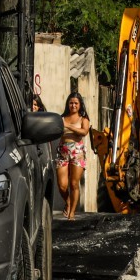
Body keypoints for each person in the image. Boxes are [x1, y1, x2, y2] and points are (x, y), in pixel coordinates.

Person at [55, 92, 90, 220]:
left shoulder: (83, 119)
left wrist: (68, 126)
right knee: (62, 185)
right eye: (71, 103)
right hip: (62, 151)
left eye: (76, 103)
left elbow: (84, 132)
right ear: (67, 104)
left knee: (74, 184)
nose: (73, 105)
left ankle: (72, 213)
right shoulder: (61, 118)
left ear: (80, 105)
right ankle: (68, 201)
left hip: (77, 152)